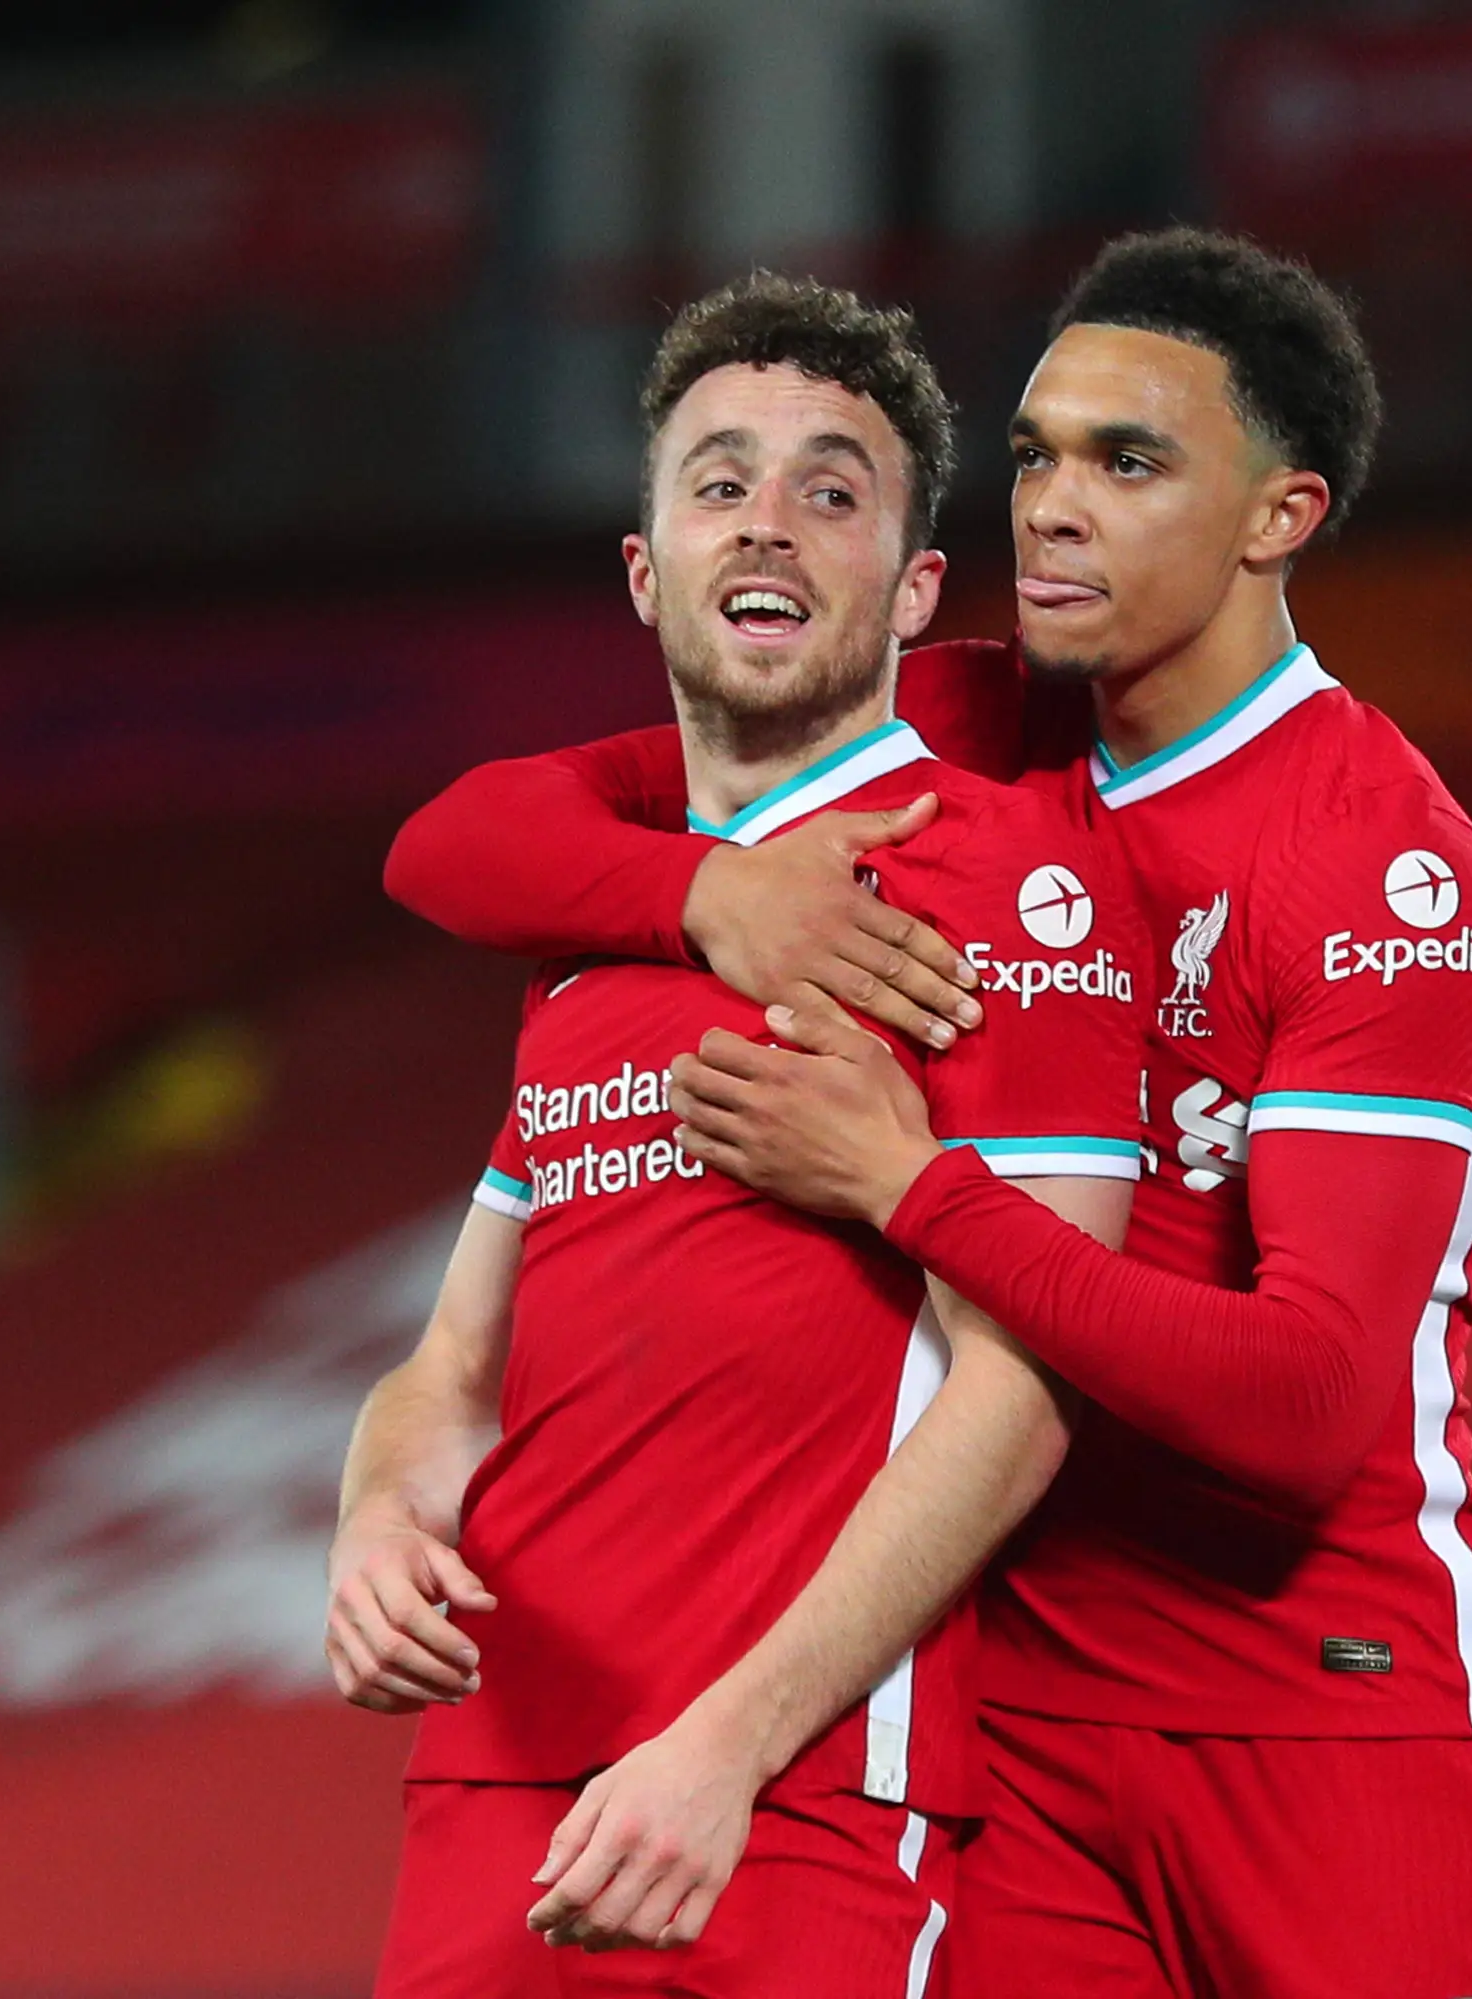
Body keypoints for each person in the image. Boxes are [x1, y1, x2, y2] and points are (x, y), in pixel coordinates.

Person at [386, 228, 1472, 1999]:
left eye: (1129, 461)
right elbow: (459, 842)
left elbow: (1312, 1401)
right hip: (1022, 1720)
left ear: (1279, 515)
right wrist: (706, 899)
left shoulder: (1380, 865)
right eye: (1038, 455)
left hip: (1322, 1709)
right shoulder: (975, 719)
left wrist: (911, 1188)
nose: (1057, 507)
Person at [327, 273, 1142, 1997]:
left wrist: (732, 1742)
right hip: (499, 1769)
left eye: (832, 488)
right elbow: (453, 1362)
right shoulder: (604, 925)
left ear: (915, 588)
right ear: (647, 569)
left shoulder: (1018, 887)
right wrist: (382, 1511)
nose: (766, 522)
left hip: (794, 1790)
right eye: (718, 481)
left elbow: (1028, 1385)